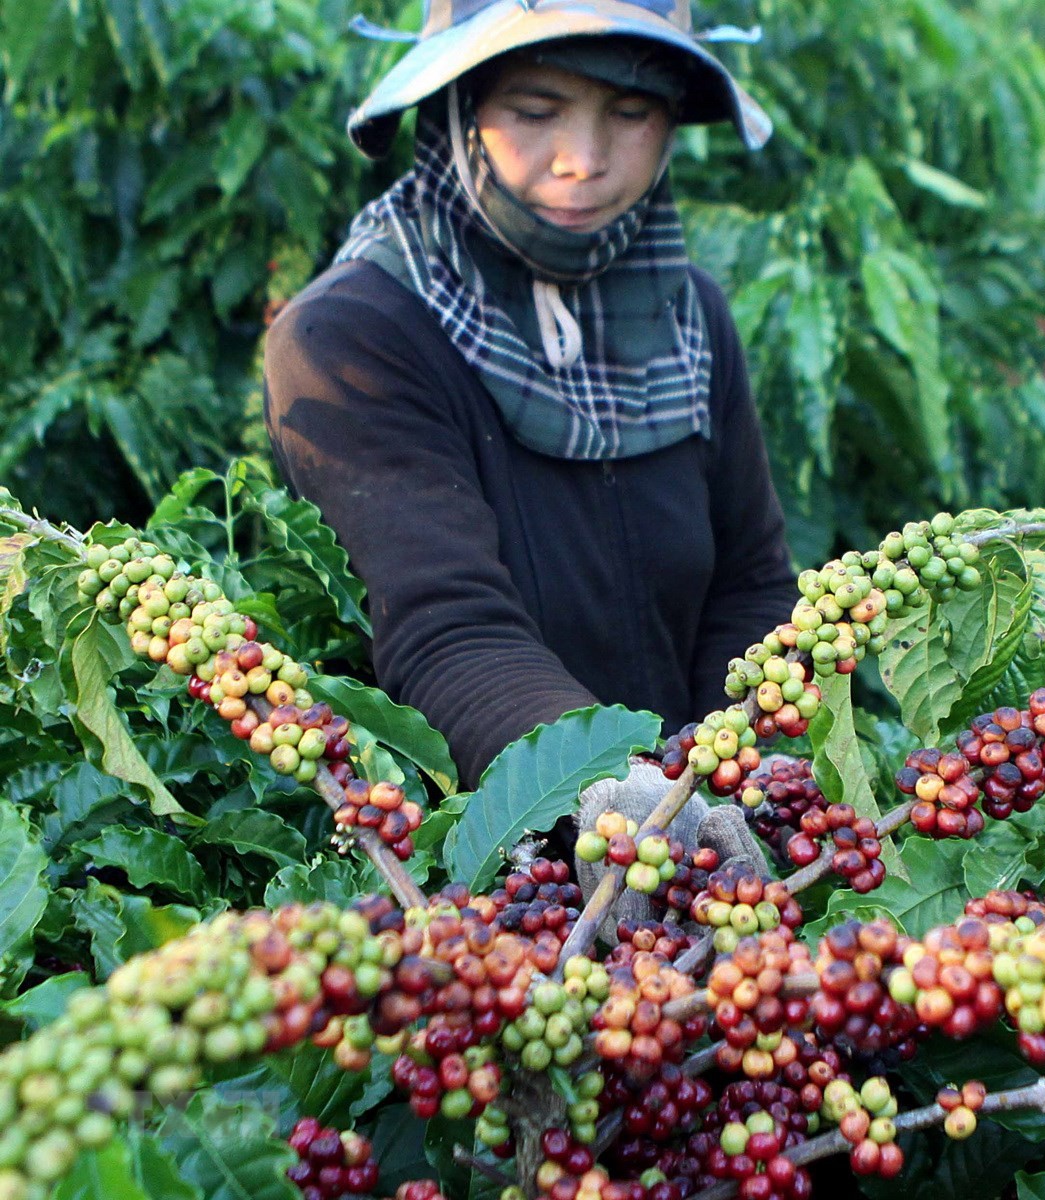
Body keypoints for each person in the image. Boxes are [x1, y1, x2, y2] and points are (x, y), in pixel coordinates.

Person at [264, 0, 794, 871]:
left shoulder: (690, 313)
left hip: (698, 843)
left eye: (630, 114)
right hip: (482, 869)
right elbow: (445, 627)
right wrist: (608, 800)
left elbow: (749, 587)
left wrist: (757, 770)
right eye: (535, 111)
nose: (583, 160)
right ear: (458, 106)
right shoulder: (351, 338)